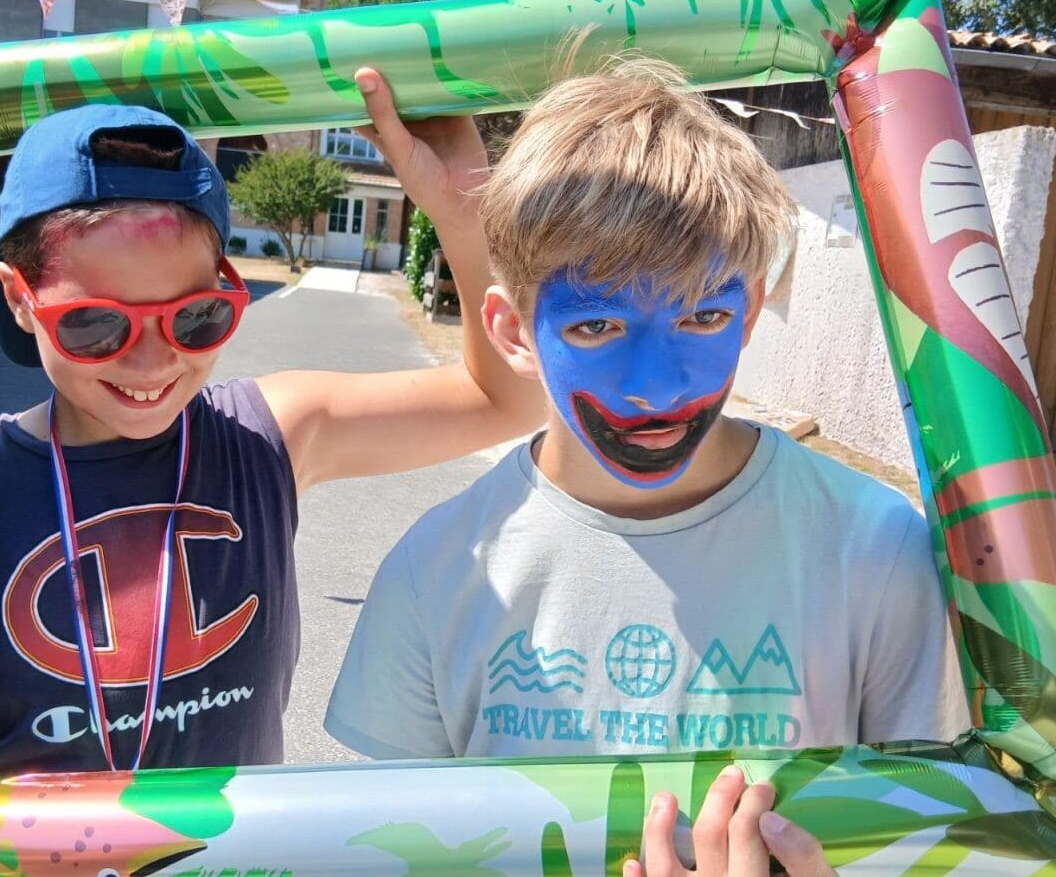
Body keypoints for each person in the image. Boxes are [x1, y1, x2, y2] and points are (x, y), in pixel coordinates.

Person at [324, 59, 969, 874]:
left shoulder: (874, 551)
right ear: (514, 331)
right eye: (596, 325)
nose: (656, 385)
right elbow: (393, 854)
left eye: (702, 314)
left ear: (749, 312)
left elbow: (936, 838)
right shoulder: (437, 571)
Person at [0, 74, 543, 777]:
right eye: (95, 323)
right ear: (20, 298)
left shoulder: (265, 436)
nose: (150, 361)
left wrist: (461, 213)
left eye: (195, 317)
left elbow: (507, 397)